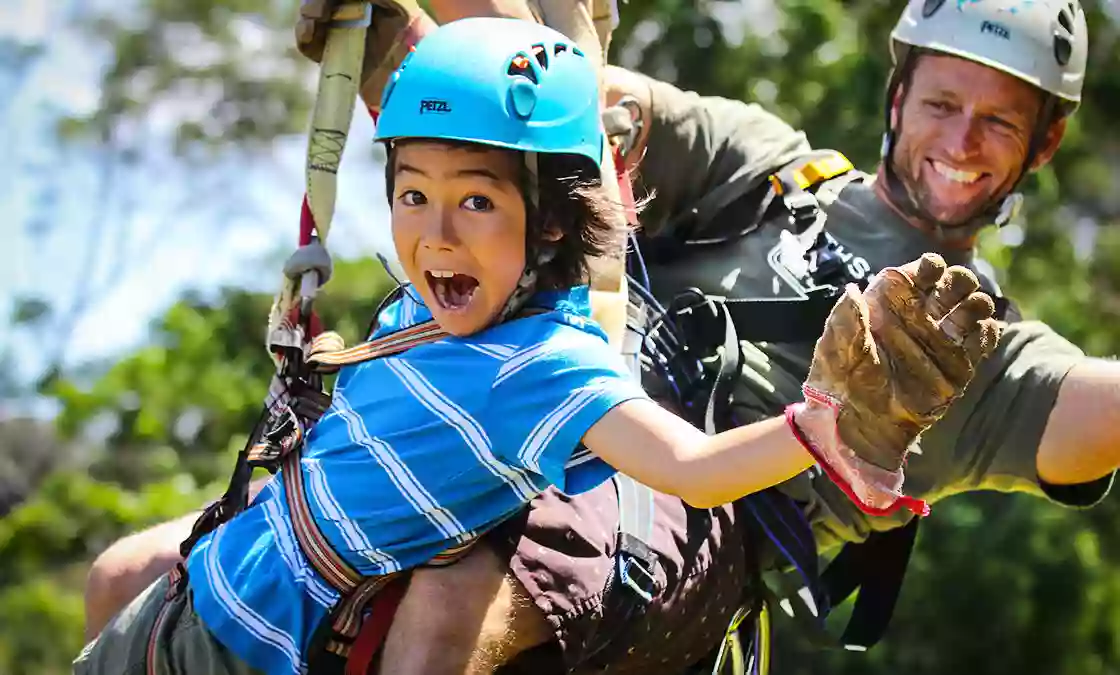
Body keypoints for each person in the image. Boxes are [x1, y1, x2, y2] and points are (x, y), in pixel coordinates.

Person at [73, 14, 998, 675]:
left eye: (477, 202)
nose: (438, 233)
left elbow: (692, 466)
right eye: (411, 195)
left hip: (258, 634)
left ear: (551, 223)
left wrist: (818, 429)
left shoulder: (548, 366)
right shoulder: (424, 308)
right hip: (213, 587)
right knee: (112, 575)